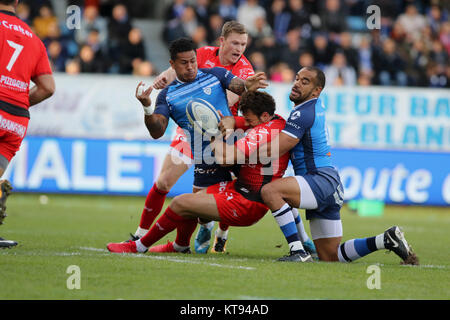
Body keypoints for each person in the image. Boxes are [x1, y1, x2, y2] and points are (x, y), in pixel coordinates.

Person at [128, 21, 316, 255]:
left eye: (244, 44)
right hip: (192, 130)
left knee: (250, 186)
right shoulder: (202, 54)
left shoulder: (244, 71)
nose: (239, 48)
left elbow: (229, 98)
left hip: (224, 131)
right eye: (235, 43)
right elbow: (175, 69)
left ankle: (225, 234)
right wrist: (162, 80)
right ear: (222, 41)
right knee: (166, 183)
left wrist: (242, 92)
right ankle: (142, 233)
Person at [106, 91, 313, 260]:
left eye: (249, 120)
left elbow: (225, 158)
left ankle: (140, 246)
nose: (247, 124)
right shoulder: (275, 121)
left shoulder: (260, 133)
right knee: (196, 198)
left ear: (264, 116)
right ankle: (180, 246)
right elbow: (235, 121)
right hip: (242, 190)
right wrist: (231, 122)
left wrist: (211, 133)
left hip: (247, 203)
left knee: (180, 203)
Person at [108, 37, 268, 249]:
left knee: (268, 187)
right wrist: (147, 107)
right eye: (184, 63)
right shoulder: (167, 96)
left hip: (233, 149)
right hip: (205, 159)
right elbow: (157, 131)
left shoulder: (216, 74)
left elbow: (239, 86)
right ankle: (180, 243)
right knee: (189, 204)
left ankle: (297, 242)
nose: (191, 66)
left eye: (193, 61)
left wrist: (248, 86)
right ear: (172, 64)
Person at [260, 66, 418, 265]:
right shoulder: (311, 108)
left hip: (318, 180)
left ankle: (298, 250)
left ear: (317, 90)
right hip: (329, 183)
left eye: (305, 81)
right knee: (330, 257)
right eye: (297, 78)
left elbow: (274, 149)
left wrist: (238, 152)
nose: (297, 83)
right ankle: (385, 240)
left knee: (270, 192)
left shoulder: (304, 113)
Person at [0, 0, 55, 248]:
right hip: (15, 119)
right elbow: (47, 88)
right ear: (18, 3)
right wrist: (20, 101)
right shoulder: (34, 39)